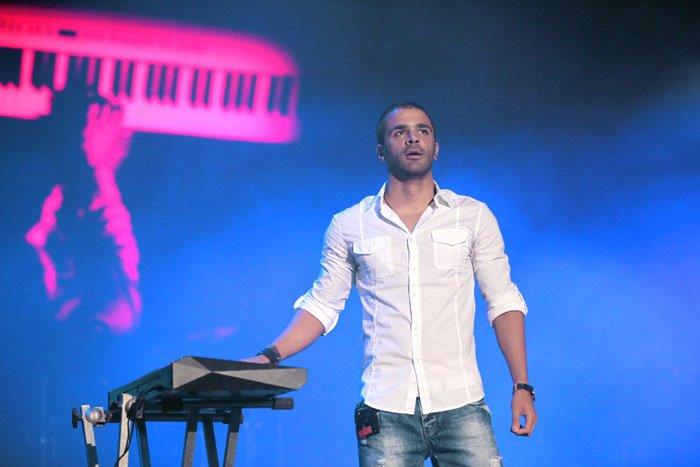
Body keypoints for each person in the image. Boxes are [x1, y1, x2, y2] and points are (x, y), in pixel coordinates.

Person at [246, 102, 537, 466]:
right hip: (385, 408)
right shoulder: (350, 224)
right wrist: (269, 356)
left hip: (461, 403)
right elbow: (322, 305)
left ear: (435, 147)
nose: (413, 138)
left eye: (422, 131)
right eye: (400, 132)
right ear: (381, 150)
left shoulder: (472, 216)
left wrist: (522, 386)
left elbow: (503, 301)